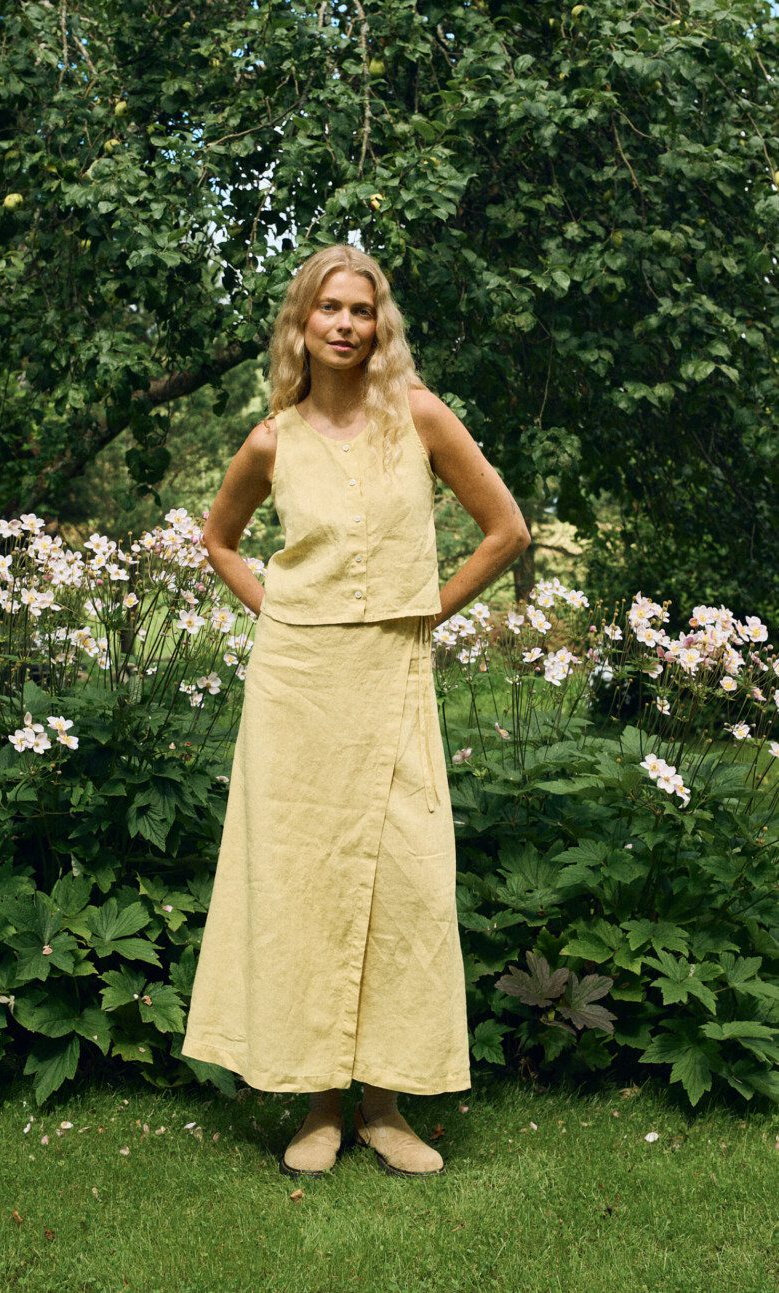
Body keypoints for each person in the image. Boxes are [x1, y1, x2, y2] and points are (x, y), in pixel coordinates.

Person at [180, 243, 531, 1179]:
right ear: (301, 322)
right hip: (298, 683)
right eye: (328, 308)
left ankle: (388, 1106)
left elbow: (508, 531)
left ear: (381, 326)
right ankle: (318, 1107)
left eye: (361, 310)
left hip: (392, 672)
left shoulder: (415, 416)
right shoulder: (271, 439)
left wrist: (428, 610)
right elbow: (217, 541)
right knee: (303, 885)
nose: (345, 324)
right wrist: (281, 613)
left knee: (404, 881)